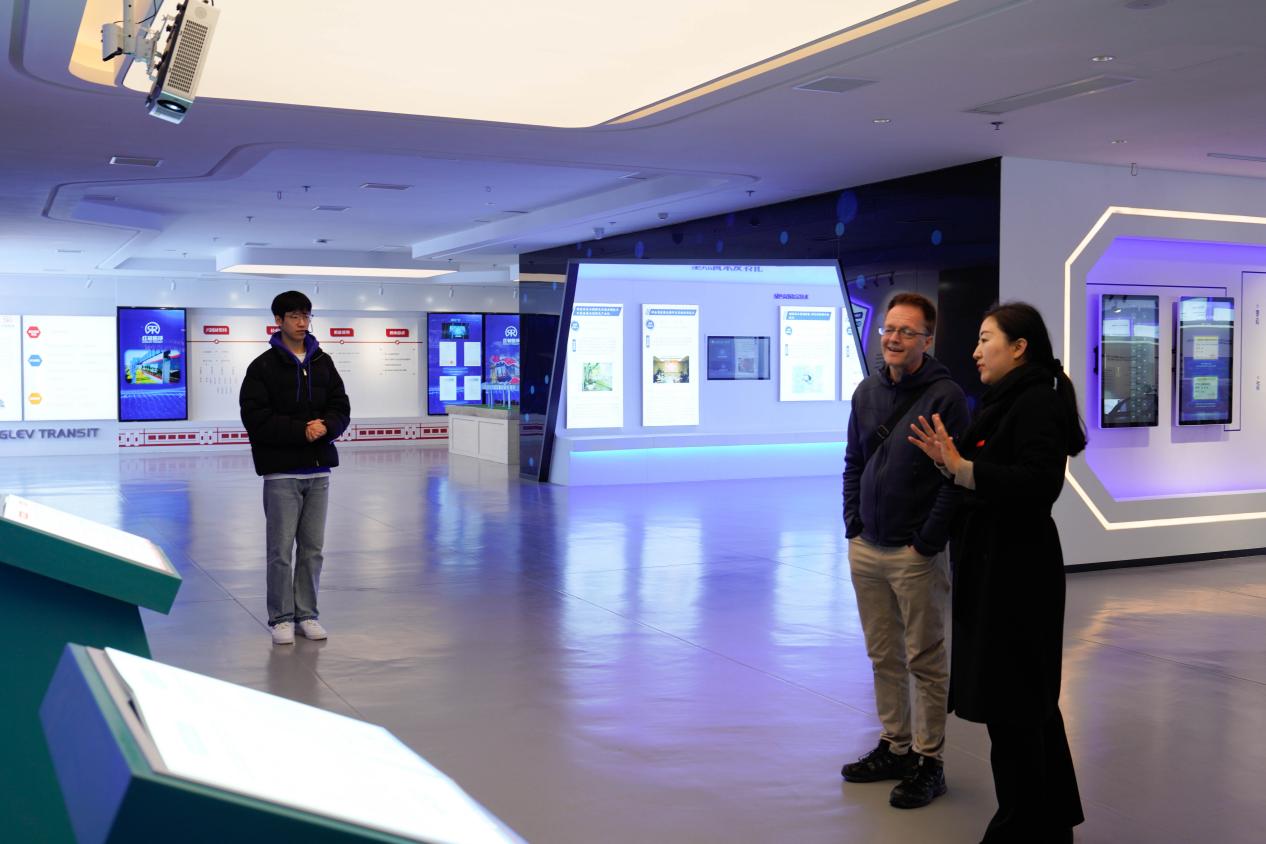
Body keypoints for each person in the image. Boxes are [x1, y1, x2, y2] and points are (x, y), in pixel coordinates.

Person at [908, 302, 1087, 841]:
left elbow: (1038, 484)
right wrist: (952, 466)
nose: (975, 351)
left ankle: (1021, 826)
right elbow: (990, 472)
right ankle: (1049, 820)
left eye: (986, 339)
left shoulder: (1036, 402)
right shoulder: (1010, 399)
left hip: (1018, 574)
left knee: (1017, 707)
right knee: (1025, 706)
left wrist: (964, 469)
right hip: (999, 567)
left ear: (1019, 347)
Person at [840, 292, 970, 809]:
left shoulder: (946, 397)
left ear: (927, 340)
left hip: (915, 555)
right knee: (883, 655)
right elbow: (853, 461)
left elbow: (953, 480)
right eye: (889, 329)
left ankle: (929, 761)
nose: (893, 339)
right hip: (867, 547)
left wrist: (926, 542)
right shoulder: (867, 391)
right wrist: (853, 523)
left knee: (926, 659)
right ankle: (895, 746)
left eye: (906, 332)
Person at [240, 291, 351, 645]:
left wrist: (327, 426)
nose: (302, 323)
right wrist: (300, 430)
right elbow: (255, 418)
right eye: (294, 316)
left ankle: (307, 615)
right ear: (278, 320)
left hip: (318, 471)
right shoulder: (262, 367)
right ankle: (281, 618)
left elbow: (341, 406)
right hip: (281, 473)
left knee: (312, 549)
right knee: (280, 551)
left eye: (306, 316)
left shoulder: (323, 362)